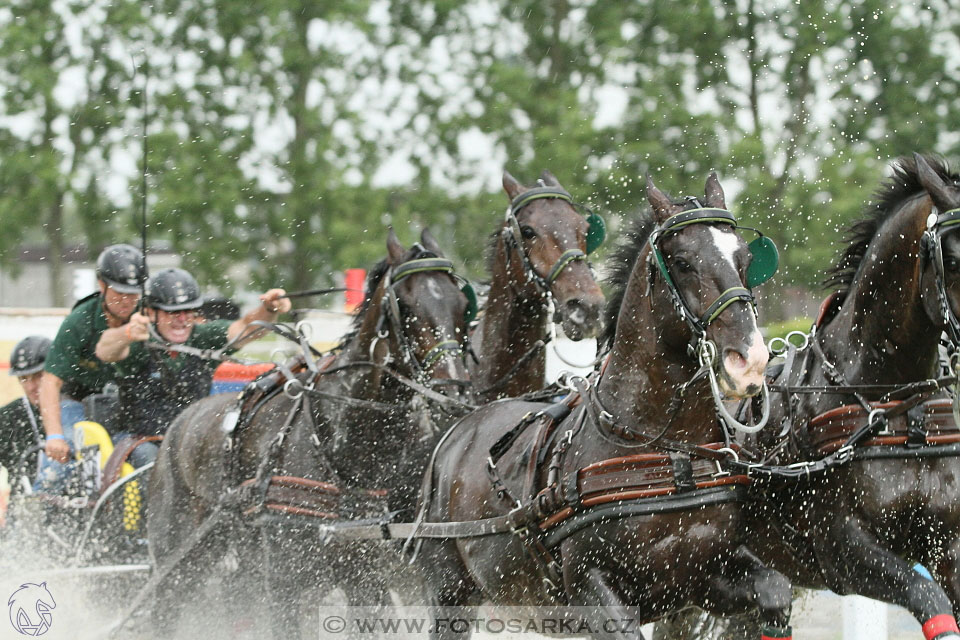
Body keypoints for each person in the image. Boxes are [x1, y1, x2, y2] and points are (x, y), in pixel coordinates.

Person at [95, 267, 291, 467]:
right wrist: (126, 333)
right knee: (153, 461)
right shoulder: (139, 340)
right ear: (152, 313)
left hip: (190, 439)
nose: (182, 319)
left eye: (188, 311)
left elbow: (245, 328)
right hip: (140, 441)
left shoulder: (202, 337)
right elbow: (105, 349)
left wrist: (268, 309)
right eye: (173, 312)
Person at [37, 244, 146, 491]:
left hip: (126, 406)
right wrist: (54, 436)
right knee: (60, 460)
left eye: (133, 293)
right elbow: (50, 382)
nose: (127, 300)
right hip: (77, 402)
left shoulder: (148, 316)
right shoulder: (78, 321)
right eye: (119, 292)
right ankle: (39, 505)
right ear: (101, 285)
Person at [0, 336, 51, 484]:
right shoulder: (7, 416)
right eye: (23, 378)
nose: (30, 387)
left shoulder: (76, 409)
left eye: (38, 376)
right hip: (22, 504)